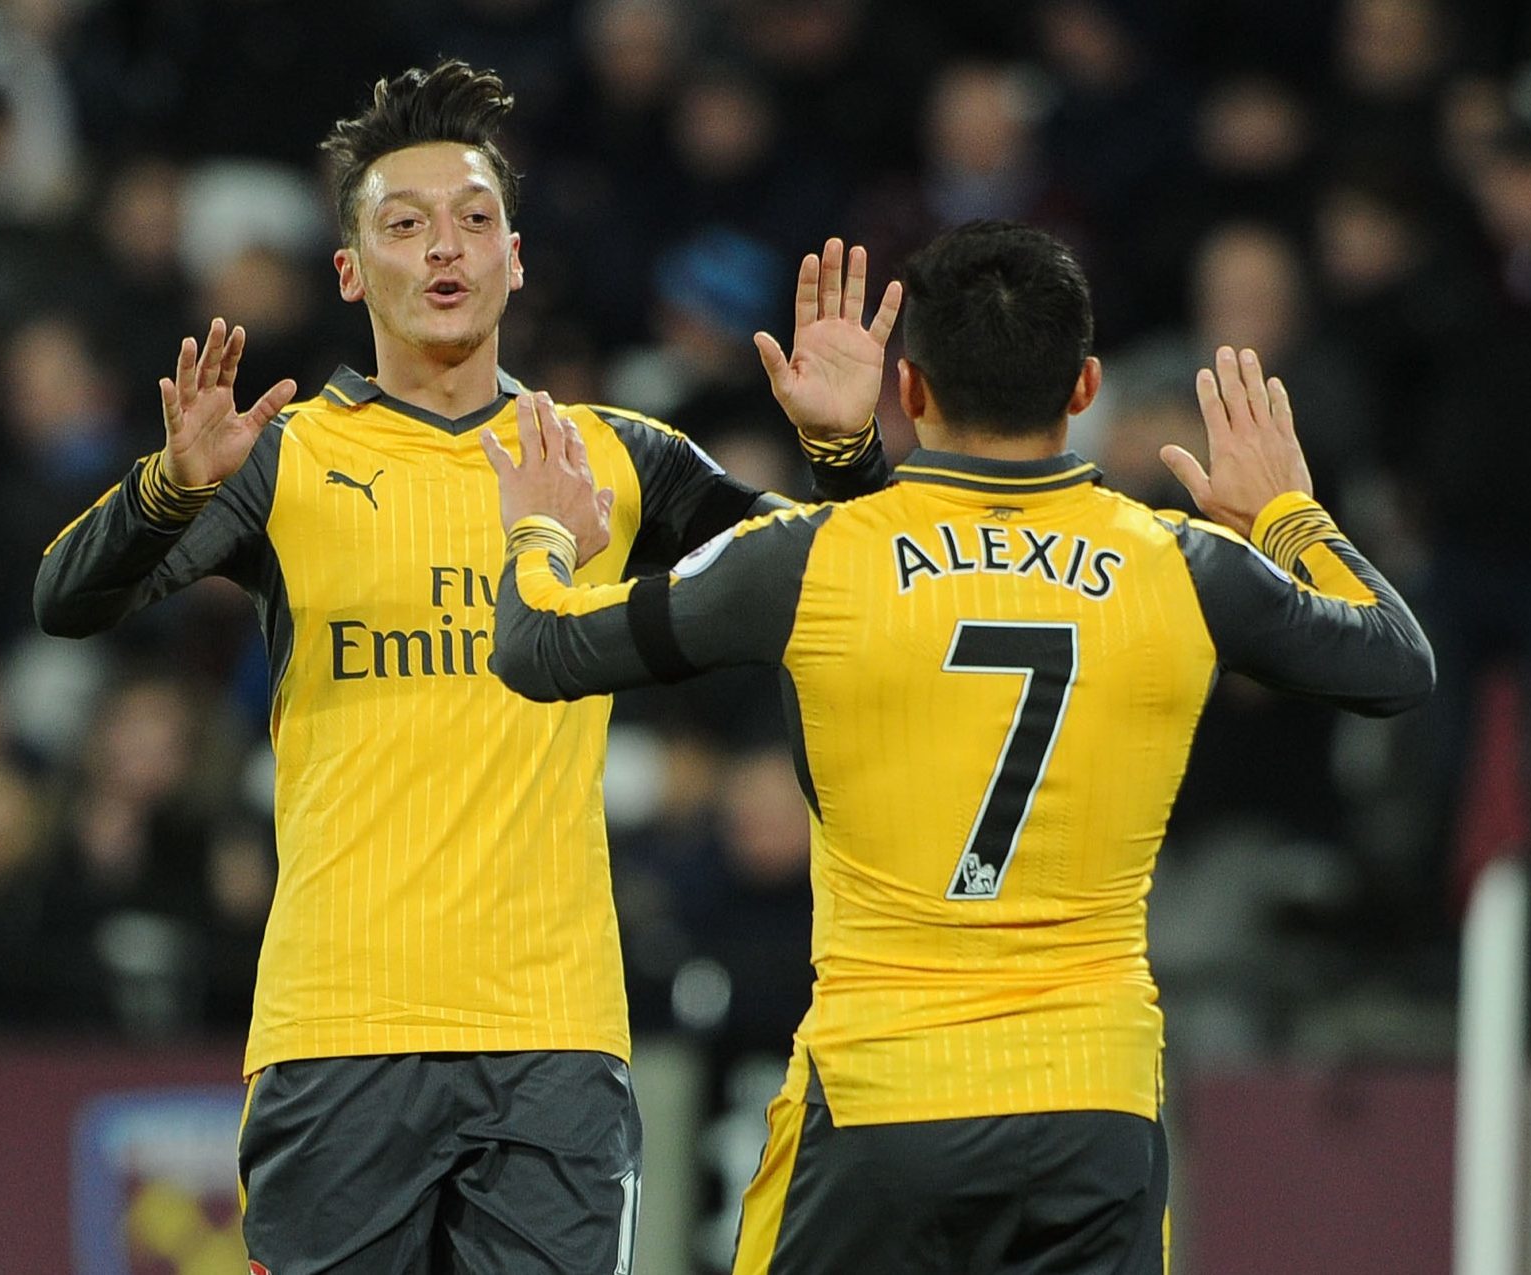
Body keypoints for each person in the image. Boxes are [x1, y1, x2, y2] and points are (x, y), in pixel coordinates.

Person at [32, 59, 901, 1274]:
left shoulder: (611, 455)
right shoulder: (287, 459)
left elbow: (870, 591)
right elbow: (68, 601)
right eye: (404, 224)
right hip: (340, 1030)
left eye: (475, 220)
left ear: (517, 258)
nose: (444, 247)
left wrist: (846, 449)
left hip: (553, 1039)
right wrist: (173, 487)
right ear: (350, 271)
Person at [484, 219, 1436, 1273]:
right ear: (1083, 388)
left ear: (914, 393)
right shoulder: (1184, 568)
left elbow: (540, 652)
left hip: (882, 1098)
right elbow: (1397, 664)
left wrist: (539, 531)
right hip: (1094, 1106)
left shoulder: (814, 562)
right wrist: (1288, 518)